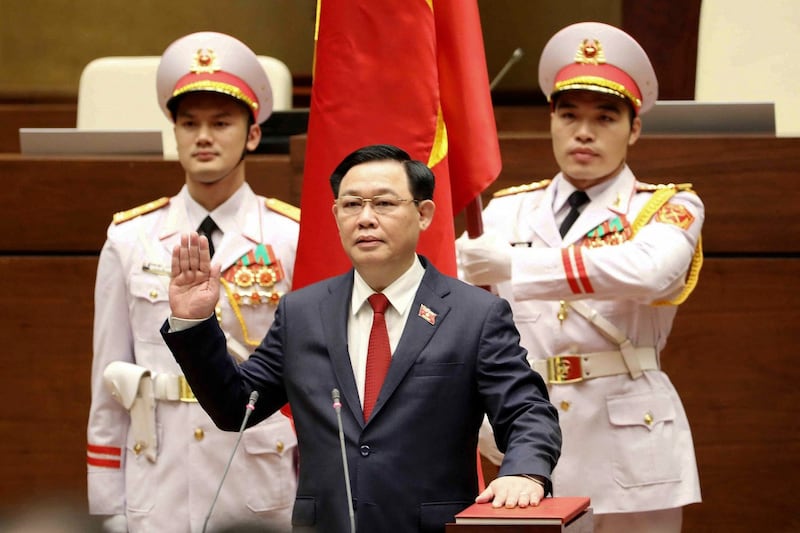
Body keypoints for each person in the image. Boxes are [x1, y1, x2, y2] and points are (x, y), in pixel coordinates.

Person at [160, 144, 562, 533]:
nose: (365, 218)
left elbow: (527, 410)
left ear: (424, 214)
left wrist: (525, 472)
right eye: (351, 205)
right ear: (335, 215)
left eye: (384, 204)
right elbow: (236, 407)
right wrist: (194, 325)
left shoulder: (474, 315)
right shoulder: (302, 313)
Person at [457, 22, 703, 533]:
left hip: (630, 441)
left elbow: (650, 272)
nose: (584, 132)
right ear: (551, 120)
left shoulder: (667, 206)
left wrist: (515, 266)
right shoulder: (505, 212)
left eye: (605, 117)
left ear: (634, 128)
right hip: (526, 433)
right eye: (569, 115)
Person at [86, 32, 300, 533]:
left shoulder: (290, 236)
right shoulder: (130, 238)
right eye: (189, 123)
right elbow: (109, 376)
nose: (203, 136)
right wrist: (108, 506)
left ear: (251, 134)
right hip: (157, 472)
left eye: (221, 123)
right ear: (175, 133)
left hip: (256, 475)